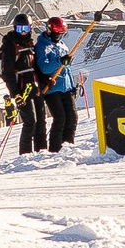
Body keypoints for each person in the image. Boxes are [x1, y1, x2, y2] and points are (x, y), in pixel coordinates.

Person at [0, 14, 45, 153]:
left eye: (25, 28)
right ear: (15, 28)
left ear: (30, 28)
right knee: (30, 122)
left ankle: (41, 152)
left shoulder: (29, 43)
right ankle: (25, 155)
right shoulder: (10, 46)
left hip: (35, 88)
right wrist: (16, 94)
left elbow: (35, 66)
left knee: (41, 123)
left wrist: (45, 80)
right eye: (19, 28)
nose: (23, 32)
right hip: (22, 90)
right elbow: (8, 73)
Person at [35, 16, 77, 151]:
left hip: (66, 88)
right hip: (52, 88)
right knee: (60, 119)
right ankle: (55, 149)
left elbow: (67, 68)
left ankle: (68, 146)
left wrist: (72, 85)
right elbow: (44, 68)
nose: (58, 37)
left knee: (72, 118)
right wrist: (60, 61)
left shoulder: (62, 45)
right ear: (48, 30)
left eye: (61, 34)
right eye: (55, 34)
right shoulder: (41, 46)